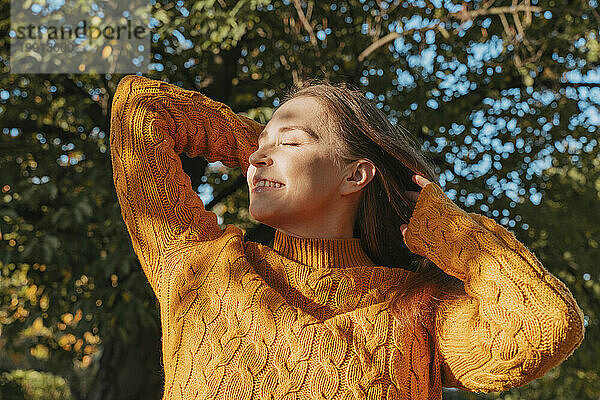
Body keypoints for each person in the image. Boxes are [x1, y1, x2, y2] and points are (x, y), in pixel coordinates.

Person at [109, 74, 584, 400]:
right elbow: (141, 109)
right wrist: (262, 148)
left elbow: (543, 327)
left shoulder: (419, 310)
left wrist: (445, 226)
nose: (256, 159)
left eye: (291, 141)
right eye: (258, 147)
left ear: (356, 175)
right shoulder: (198, 267)